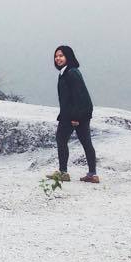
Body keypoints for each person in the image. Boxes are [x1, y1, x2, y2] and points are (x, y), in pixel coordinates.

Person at [53, 45, 99, 183]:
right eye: (56, 56)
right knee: (86, 142)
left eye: (61, 56)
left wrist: (75, 117)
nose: (58, 59)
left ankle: (63, 173)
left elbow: (80, 96)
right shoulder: (65, 72)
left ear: (68, 57)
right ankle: (92, 175)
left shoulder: (72, 73)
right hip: (74, 114)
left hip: (76, 115)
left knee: (61, 139)